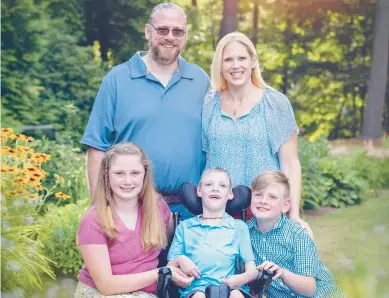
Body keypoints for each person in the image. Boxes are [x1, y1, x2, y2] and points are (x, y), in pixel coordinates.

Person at [81, 3, 210, 220]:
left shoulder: (200, 81)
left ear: (185, 35)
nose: (170, 36)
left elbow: (213, 145)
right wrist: (99, 210)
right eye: (163, 30)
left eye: (178, 31)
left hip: (191, 213)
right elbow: (97, 147)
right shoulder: (117, 79)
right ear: (148, 32)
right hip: (132, 210)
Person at [202, 31, 313, 236]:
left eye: (242, 58)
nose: (236, 66)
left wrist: (294, 215)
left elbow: (290, 164)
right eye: (228, 60)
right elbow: (208, 157)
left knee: (263, 268)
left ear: (253, 61)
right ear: (220, 65)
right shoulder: (210, 103)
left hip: (264, 213)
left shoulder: (275, 103)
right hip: (219, 214)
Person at [75, 143, 193, 297]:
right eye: (119, 173)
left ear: (145, 174)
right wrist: (161, 273)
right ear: (106, 175)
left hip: (145, 292)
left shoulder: (156, 206)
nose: (128, 181)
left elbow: (179, 237)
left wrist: (178, 260)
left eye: (135, 173)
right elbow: (106, 286)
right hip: (103, 293)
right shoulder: (93, 220)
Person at [248, 171, 344, 298]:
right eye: (258, 195)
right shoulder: (245, 232)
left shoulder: (297, 234)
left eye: (272, 197)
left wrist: (282, 273)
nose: (263, 201)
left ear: (285, 206)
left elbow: (309, 289)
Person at [167, 168, 258, 298]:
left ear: (230, 194)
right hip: (195, 289)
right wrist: (180, 259)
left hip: (230, 287)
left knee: (236, 295)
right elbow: (170, 266)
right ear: (199, 191)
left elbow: (252, 270)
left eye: (222, 185)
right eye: (209, 184)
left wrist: (242, 279)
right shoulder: (185, 227)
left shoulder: (239, 227)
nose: (215, 188)